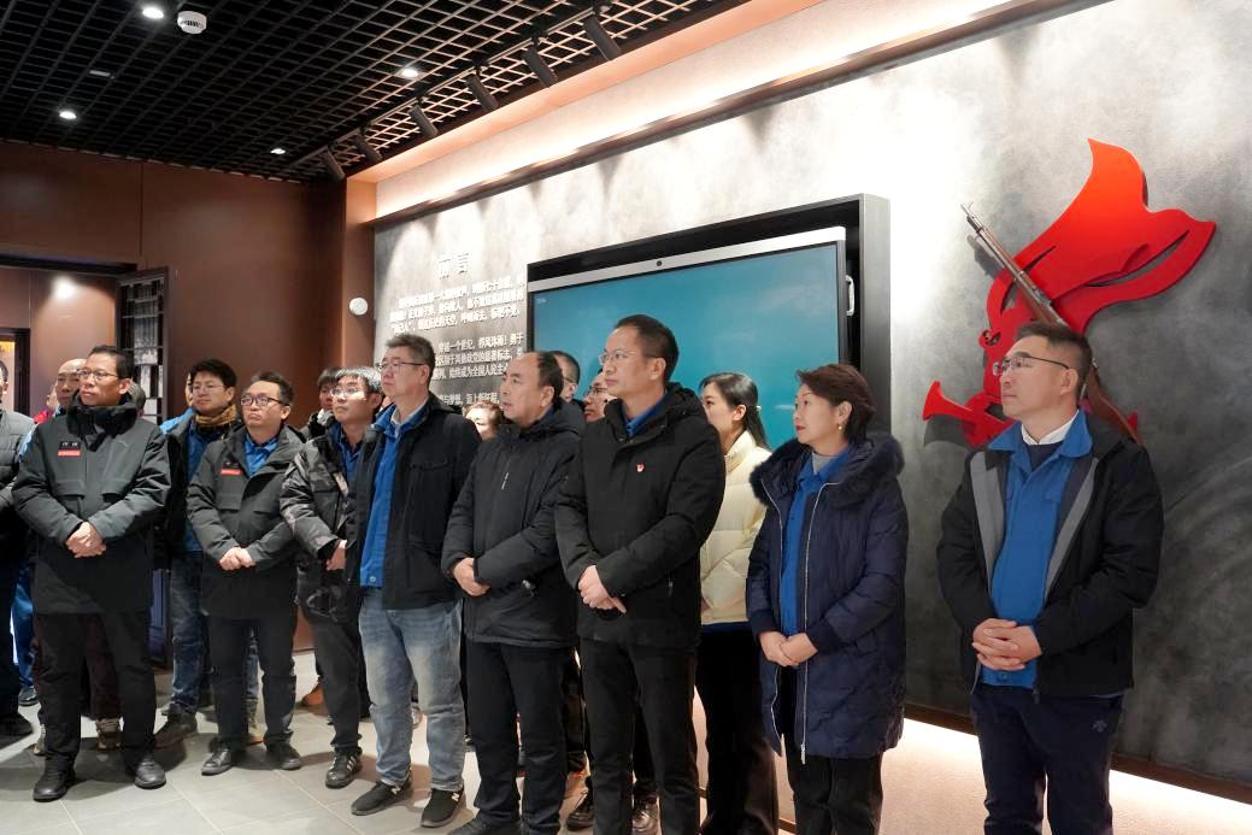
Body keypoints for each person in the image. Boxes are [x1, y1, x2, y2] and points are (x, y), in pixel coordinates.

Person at [936, 322, 1164, 835]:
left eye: (1022, 363)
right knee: (1006, 816)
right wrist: (979, 624)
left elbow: (1130, 574)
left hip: (1076, 683)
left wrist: (1040, 637)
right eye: (1005, 364)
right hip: (992, 676)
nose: (1005, 375)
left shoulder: (1118, 463)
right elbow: (954, 554)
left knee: (1080, 821)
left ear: (1067, 379)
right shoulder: (985, 461)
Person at [557, 314, 724, 835]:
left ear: (656, 367)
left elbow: (685, 525)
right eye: (605, 356)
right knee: (606, 755)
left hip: (660, 622)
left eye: (619, 356)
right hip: (597, 619)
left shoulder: (693, 436)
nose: (606, 366)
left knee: (671, 760)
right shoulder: (597, 435)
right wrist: (586, 573)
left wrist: (611, 576)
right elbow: (568, 505)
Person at [746, 363, 907, 835]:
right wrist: (766, 629)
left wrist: (815, 639)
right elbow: (761, 565)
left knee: (850, 806)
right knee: (808, 798)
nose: (796, 412)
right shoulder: (788, 481)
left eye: (807, 403)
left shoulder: (875, 485)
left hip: (852, 670)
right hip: (789, 665)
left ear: (842, 413)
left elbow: (881, 584)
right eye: (796, 402)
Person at [14, 345, 170, 800]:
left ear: (124, 384)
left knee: (132, 668)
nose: (87, 381)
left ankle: (139, 752)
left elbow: (152, 492)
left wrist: (99, 528)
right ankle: (59, 760)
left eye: (99, 374)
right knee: (58, 670)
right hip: (60, 569)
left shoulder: (148, 436)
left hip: (121, 570)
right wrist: (70, 531)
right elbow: (28, 491)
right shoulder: (51, 432)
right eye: (84, 373)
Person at [442, 352, 581, 835]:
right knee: (488, 727)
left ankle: (538, 823)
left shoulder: (570, 448)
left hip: (535, 616)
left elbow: (547, 532)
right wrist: (457, 562)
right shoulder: (493, 447)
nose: (504, 387)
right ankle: (496, 812)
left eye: (516, 380)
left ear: (547, 394)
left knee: (540, 734)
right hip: (481, 613)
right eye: (504, 378)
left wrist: (482, 570)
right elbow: (462, 509)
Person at [347, 333, 480, 826]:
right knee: (384, 698)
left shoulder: (453, 431)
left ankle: (447, 783)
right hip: (373, 586)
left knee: (439, 699)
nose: (385, 371)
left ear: (423, 372)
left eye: (397, 364)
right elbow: (362, 504)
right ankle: (393, 775)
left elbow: (469, 508)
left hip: (427, 591)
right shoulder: (378, 432)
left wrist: (449, 564)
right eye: (383, 363)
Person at [188, 371, 305, 776]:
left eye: (264, 400)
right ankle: (230, 740)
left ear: (285, 410)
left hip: (273, 577)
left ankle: (279, 738)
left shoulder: (302, 454)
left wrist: (256, 553)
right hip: (223, 576)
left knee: (278, 668)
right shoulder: (219, 450)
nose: (253, 406)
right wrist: (223, 548)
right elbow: (198, 502)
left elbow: (300, 514)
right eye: (249, 400)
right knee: (225, 668)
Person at [565, 362, 659, 835]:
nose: (590, 399)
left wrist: (613, 577)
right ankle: (601, 788)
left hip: (643, 601)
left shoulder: (655, 448)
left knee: (644, 708)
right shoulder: (587, 448)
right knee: (600, 712)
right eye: (591, 391)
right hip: (589, 597)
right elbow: (570, 515)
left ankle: (647, 792)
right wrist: (589, 575)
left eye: (600, 391)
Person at [281, 366, 382, 789]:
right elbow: (293, 500)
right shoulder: (314, 450)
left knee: (385, 672)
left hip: (377, 576)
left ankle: (392, 759)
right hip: (325, 576)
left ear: (375, 399)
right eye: (336, 390)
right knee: (337, 673)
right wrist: (327, 545)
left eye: (350, 390)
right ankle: (345, 748)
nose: (338, 397)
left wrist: (353, 550)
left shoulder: (389, 445)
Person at [154, 358, 253, 748]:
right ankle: (182, 711)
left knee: (241, 638)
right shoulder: (173, 433)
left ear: (230, 393)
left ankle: (244, 712)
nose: (200, 391)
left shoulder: (247, 434)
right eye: (195, 385)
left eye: (210, 385)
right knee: (185, 636)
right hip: (184, 549)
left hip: (230, 552)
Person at [695, 372, 778, 835]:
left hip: (745, 623)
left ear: (739, 411)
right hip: (702, 624)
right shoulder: (702, 468)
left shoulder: (765, 468)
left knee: (750, 734)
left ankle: (755, 826)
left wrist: (707, 594)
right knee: (717, 731)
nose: (702, 411)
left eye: (709, 403)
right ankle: (719, 821)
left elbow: (758, 548)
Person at [0, 361, 35, 741]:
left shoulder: (23, 427)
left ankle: (6, 711)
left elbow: (25, 481)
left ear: (5, 387)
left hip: (5, 544)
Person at [302, 367, 340, 441]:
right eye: (324, 391)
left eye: (335, 391)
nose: (329, 397)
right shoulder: (307, 433)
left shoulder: (354, 429)